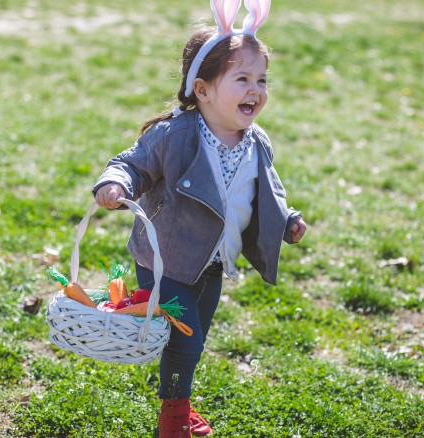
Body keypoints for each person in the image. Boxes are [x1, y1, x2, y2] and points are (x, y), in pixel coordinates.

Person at [93, 1, 306, 436]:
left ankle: (178, 401)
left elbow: (268, 190)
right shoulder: (175, 135)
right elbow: (132, 163)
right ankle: (172, 421)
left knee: (194, 339)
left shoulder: (256, 141)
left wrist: (286, 220)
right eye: (243, 79)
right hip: (166, 261)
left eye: (262, 79)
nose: (256, 89)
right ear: (203, 89)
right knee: (184, 340)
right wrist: (114, 184)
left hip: (211, 262)